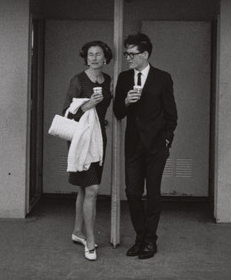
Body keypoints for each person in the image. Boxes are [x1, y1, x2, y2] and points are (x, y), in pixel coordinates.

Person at [112, 33, 178, 260]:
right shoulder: (123, 78)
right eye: (126, 54)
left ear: (145, 54)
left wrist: (167, 139)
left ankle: (151, 240)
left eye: (132, 54)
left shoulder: (162, 78)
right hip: (133, 144)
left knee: (153, 193)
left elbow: (171, 114)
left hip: (156, 145)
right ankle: (140, 238)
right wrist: (126, 102)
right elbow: (117, 113)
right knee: (131, 192)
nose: (128, 58)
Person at [63, 41, 114, 261]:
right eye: (90, 55)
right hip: (81, 140)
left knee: (85, 190)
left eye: (98, 54)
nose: (94, 58)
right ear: (86, 58)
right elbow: (66, 113)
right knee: (92, 188)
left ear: (105, 58)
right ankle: (90, 241)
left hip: (98, 138)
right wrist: (87, 105)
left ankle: (77, 231)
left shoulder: (108, 80)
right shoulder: (78, 80)